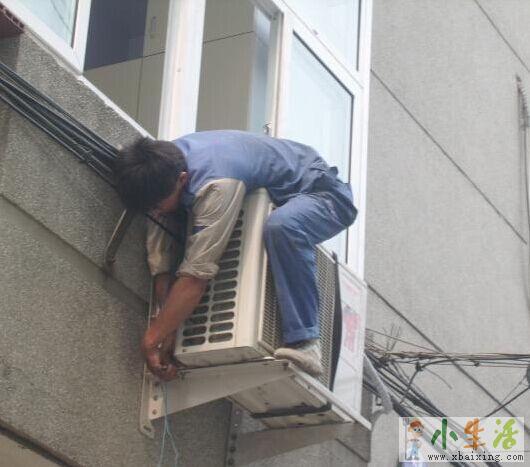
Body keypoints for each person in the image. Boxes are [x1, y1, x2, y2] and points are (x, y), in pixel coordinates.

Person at [114, 129, 357, 381]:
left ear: (182, 179)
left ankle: (307, 342)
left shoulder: (217, 184)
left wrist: (150, 340)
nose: (155, 213)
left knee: (283, 227)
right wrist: (166, 325)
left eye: (157, 206)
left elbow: (196, 276)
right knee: (174, 212)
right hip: (273, 188)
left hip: (324, 194)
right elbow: (161, 258)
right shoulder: (158, 166)